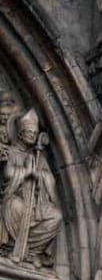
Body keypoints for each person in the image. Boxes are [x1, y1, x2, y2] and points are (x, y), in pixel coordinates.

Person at [0, 110, 60, 268]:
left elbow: (49, 177)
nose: (33, 136)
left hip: (35, 202)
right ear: (20, 133)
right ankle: (14, 247)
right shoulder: (11, 152)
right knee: (15, 206)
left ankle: (33, 252)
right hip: (17, 198)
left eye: (35, 133)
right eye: (30, 133)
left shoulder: (38, 156)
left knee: (56, 216)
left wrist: (40, 176)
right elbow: (7, 174)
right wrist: (26, 173)